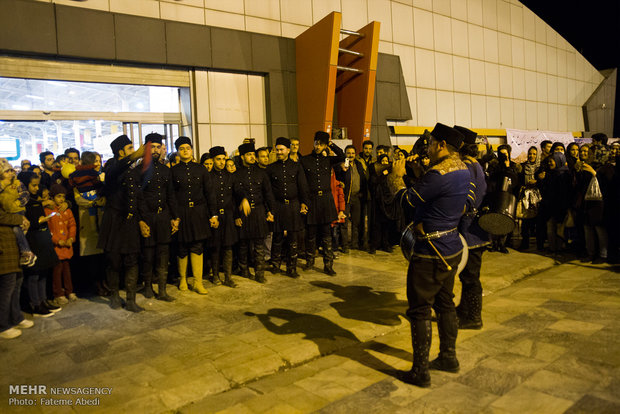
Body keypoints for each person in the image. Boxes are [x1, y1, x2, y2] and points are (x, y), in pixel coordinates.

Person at [387, 123, 471, 388]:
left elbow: (408, 202)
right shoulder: (462, 168)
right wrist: (419, 172)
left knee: (420, 310)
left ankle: (420, 371)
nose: (428, 148)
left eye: (431, 143)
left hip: (430, 252)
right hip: (451, 247)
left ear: (442, 145)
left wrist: (397, 178)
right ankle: (449, 356)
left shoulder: (438, 174)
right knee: (445, 303)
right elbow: (437, 195)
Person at [98, 135, 146, 312]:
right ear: (120, 152)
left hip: (130, 221)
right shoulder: (111, 167)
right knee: (114, 261)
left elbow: (138, 197)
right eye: (130, 148)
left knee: (132, 260)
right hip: (114, 221)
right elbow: (115, 170)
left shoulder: (133, 171)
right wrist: (133, 157)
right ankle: (115, 296)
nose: (133, 151)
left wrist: (142, 219)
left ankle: (131, 299)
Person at [171, 136, 217, 295]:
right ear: (178, 151)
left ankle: (198, 282)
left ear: (192, 150)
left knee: (198, 246)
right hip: (182, 212)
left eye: (188, 148)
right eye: (182, 149)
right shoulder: (173, 171)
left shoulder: (201, 169)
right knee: (182, 247)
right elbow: (171, 196)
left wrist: (214, 215)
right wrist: (174, 216)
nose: (185, 151)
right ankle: (183, 279)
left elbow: (210, 193)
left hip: (199, 212)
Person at [454, 125, 489, 330]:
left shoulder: (467, 167)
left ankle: (474, 316)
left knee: (470, 276)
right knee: (467, 274)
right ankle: (465, 309)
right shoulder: (475, 164)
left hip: (470, 231)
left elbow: (466, 201)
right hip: (474, 230)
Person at [137, 133, 179, 301]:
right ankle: (147, 286)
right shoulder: (139, 170)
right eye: (151, 147)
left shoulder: (165, 170)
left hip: (163, 217)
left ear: (162, 148)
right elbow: (137, 197)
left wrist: (175, 217)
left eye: (157, 147)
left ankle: (162, 290)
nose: (155, 150)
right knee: (148, 255)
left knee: (163, 255)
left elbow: (171, 195)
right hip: (147, 218)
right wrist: (142, 219)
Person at [300, 131, 345, 275]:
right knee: (311, 234)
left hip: (326, 200)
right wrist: (304, 202)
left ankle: (328, 265)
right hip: (312, 200)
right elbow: (303, 184)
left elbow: (342, 156)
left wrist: (331, 144)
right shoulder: (305, 160)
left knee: (327, 234)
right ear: (313, 143)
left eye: (321, 144)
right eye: (316, 143)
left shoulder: (328, 160)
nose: (318, 146)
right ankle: (309, 261)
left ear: (325, 145)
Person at [19, 171, 61, 317]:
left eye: (37, 185)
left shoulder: (36, 200)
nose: (37, 188)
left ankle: (43, 300)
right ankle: (35, 304)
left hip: (43, 238)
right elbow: (27, 223)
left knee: (44, 272)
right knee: (34, 274)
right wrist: (41, 220)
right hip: (33, 239)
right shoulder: (23, 202)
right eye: (33, 185)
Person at [266, 137, 309, 278]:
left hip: (293, 206)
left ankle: (292, 268)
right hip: (277, 206)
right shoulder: (271, 168)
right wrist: (271, 209)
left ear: (288, 150)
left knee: (293, 239)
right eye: (277, 150)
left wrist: (304, 203)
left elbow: (303, 187)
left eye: (281, 150)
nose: (279, 152)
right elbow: (269, 191)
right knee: (277, 237)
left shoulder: (296, 167)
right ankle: (276, 265)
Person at [235, 142, 275, 283]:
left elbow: (268, 193)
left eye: (253, 154)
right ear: (242, 156)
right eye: (249, 155)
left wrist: (271, 211)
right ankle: (244, 270)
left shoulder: (261, 173)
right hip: (243, 213)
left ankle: (260, 273)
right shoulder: (236, 174)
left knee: (259, 244)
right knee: (243, 245)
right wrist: (237, 212)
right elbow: (234, 194)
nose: (252, 157)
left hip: (259, 211)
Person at [209, 146, 246, 287]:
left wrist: (244, 199)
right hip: (215, 217)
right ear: (212, 160)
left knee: (228, 247)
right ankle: (216, 276)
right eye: (218, 159)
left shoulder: (230, 176)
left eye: (223, 159)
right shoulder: (208, 177)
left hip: (229, 216)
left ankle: (228, 277)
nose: (221, 162)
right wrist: (212, 216)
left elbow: (238, 192)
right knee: (215, 247)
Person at [46, 184, 77, 305]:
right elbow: (49, 230)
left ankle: (69, 291)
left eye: (63, 197)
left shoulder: (66, 210)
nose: (61, 199)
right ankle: (58, 293)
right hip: (56, 247)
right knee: (57, 271)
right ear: (52, 197)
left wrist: (71, 238)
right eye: (59, 196)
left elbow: (72, 225)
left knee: (67, 269)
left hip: (66, 245)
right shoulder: (48, 211)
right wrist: (56, 240)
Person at [336, 145, 369, 251]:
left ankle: (355, 243)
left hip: (357, 197)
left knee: (356, 222)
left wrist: (362, 193)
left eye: (352, 153)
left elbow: (363, 179)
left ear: (355, 154)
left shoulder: (359, 165)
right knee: (344, 223)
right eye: (348, 153)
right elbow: (338, 178)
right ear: (345, 154)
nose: (350, 155)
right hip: (345, 198)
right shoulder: (342, 165)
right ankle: (344, 245)